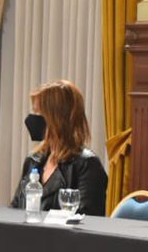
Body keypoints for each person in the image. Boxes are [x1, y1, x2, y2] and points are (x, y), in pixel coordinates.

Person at [9, 79, 108, 216]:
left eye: (38, 112)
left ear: (55, 118)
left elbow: (88, 221)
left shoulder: (87, 165)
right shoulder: (33, 160)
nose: (32, 118)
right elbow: (15, 208)